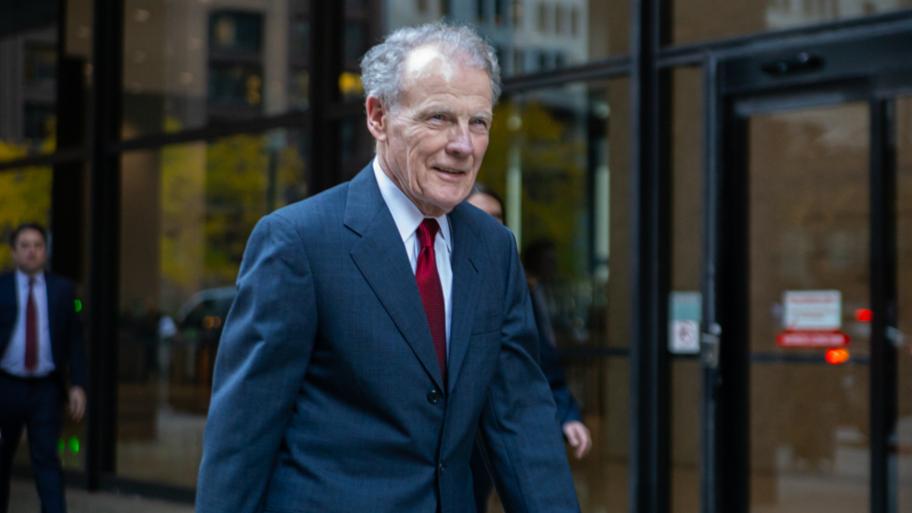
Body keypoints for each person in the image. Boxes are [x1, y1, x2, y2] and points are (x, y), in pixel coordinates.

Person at [195, 23, 580, 513]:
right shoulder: (298, 242)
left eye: (478, 122)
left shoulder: (495, 249)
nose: (463, 145)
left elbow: (521, 423)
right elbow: (242, 440)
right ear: (378, 116)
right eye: (439, 118)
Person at [467, 186, 592, 512]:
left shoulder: (514, 281)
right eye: (479, 216)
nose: (489, 226)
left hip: (495, 427)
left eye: (497, 219)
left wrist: (566, 414)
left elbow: (533, 362)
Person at [0, 223, 87, 513]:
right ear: (14, 252)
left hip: (46, 389)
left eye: (37, 245)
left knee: (47, 461)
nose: (31, 251)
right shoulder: (1, 287)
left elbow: (75, 340)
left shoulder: (62, 290)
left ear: (45, 251)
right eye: (24, 245)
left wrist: (77, 384)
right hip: (6, 386)